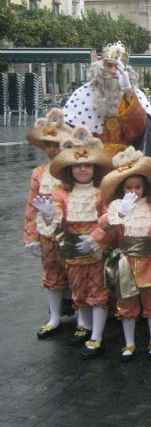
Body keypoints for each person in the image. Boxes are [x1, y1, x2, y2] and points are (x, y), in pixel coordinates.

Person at [33, 127, 113, 359]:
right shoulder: (61, 192)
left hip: (96, 248)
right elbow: (56, 216)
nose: (83, 169)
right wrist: (49, 214)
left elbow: (109, 217)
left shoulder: (101, 191)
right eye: (78, 166)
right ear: (70, 169)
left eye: (87, 165)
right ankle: (85, 328)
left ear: (95, 168)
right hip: (71, 248)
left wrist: (96, 238)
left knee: (97, 291)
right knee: (78, 291)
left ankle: (97, 337)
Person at [99, 147, 151, 362]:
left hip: (149, 262)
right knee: (126, 302)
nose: (133, 191)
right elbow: (104, 225)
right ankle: (129, 342)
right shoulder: (116, 207)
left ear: (145, 187)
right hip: (125, 263)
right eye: (128, 187)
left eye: (137, 187)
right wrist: (120, 214)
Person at [24, 108, 73, 339]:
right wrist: (31, 236)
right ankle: (54, 316)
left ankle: (82, 317)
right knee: (52, 271)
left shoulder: (72, 171)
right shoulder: (38, 173)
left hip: (70, 230)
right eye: (49, 145)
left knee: (75, 272)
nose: (53, 149)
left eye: (57, 144)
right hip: (47, 233)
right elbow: (32, 206)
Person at [63, 41, 151, 157]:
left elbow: (138, 132)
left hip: (126, 163)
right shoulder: (81, 94)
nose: (113, 71)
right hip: (92, 162)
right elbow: (69, 135)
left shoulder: (135, 94)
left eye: (118, 66)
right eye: (109, 65)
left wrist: (128, 91)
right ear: (100, 67)